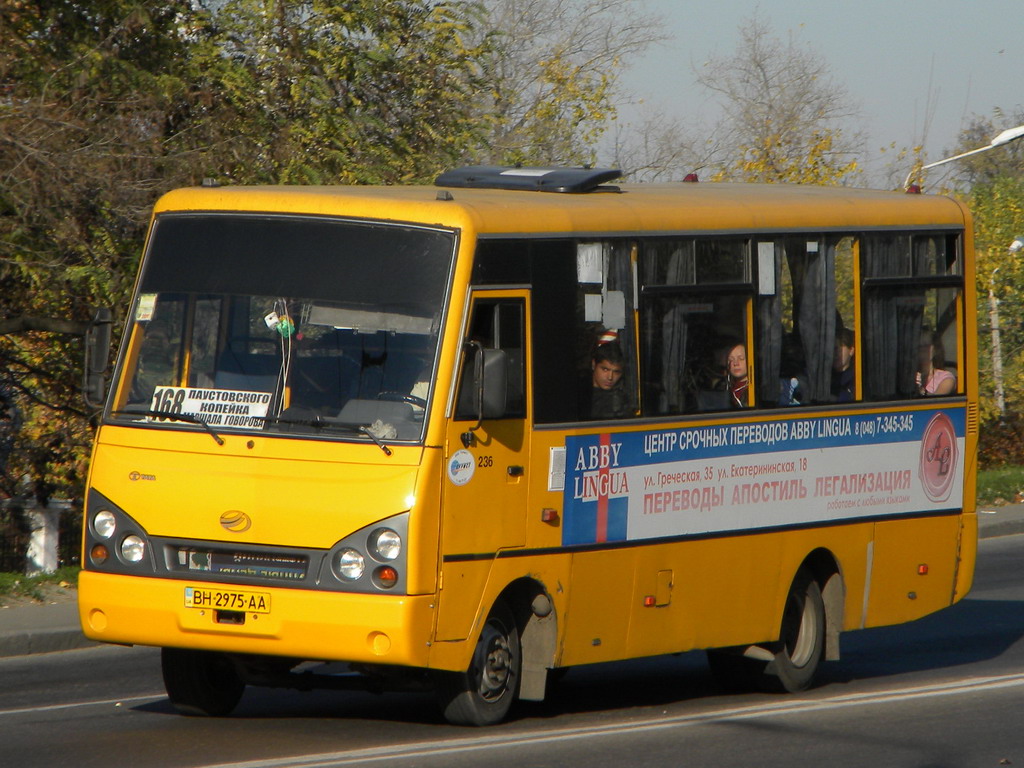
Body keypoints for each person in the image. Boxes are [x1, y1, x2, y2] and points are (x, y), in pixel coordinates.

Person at [584, 333, 632, 419]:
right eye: (605, 369)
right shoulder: (580, 394)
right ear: (594, 364)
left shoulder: (623, 398)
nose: (610, 377)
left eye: (616, 372)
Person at [917, 331, 955, 396]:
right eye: (919, 346)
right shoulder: (909, 376)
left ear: (934, 349)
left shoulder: (946, 378)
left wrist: (920, 390)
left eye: (926, 345)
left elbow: (936, 402)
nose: (922, 349)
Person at [713, 339, 749, 408]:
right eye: (731, 360)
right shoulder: (723, 388)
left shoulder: (756, 389)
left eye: (741, 358)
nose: (735, 363)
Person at [831, 328, 855, 402]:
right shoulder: (823, 379)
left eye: (840, 347)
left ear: (851, 350)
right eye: (833, 348)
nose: (836, 353)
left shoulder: (856, 380)